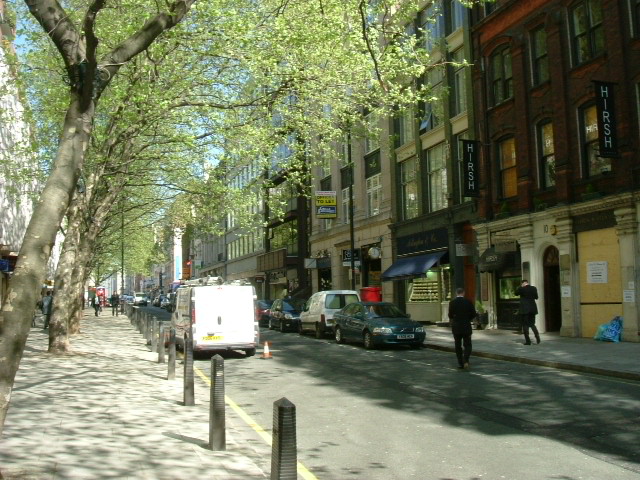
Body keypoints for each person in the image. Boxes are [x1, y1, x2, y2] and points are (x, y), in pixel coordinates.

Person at [448, 287, 477, 370]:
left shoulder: (452, 303)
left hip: (456, 327)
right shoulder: (468, 302)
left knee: (457, 345)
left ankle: (460, 362)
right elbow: (473, 314)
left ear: (456, 293)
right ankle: (466, 360)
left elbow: (450, 315)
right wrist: (468, 319)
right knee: (467, 345)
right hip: (466, 326)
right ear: (463, 293)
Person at [516, 279, 540, 345]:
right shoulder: (534, 288)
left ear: (523, 283)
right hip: (533, 309)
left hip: (524, 310)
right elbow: (536, 297)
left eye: (522, 284)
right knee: (532, 324)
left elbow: (516, 293)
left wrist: (520, 287)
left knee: (525, 325)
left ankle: (528, 341)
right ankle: (537, 337)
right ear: (527, 283)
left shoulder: (521, 289)